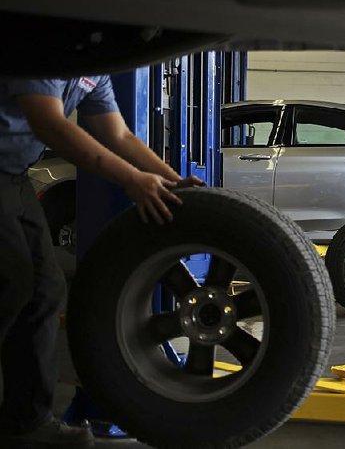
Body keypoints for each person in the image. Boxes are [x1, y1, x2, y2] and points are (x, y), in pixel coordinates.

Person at [0, 76, 202, 447]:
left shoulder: (96, 70)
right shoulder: (43, 43)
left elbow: (119, 136)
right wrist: (131, 179)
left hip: (12, 176)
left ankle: (25, 422)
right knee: (12, 282)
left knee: (45, 289)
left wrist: (170, 182)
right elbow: (50, 124)